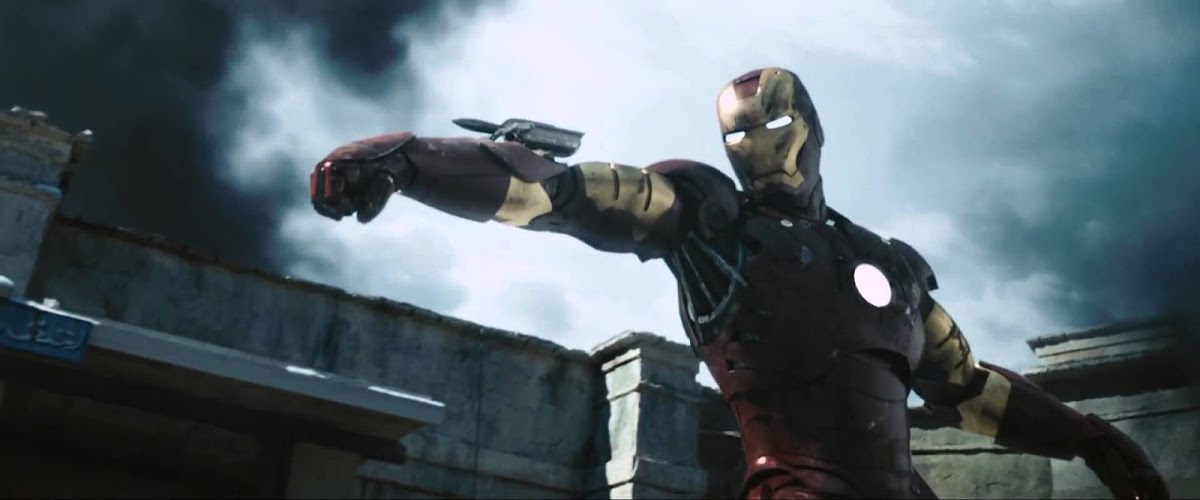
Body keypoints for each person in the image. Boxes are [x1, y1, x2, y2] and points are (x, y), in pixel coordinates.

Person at [309, 67, 1168, 499]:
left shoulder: (890, 266)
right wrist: (406, 159)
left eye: (776, 122)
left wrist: (1090, 438)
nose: (758, 146)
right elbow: (557, 195)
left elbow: (970, 389)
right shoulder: (710, 223)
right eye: (738, 134)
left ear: (814, 128)